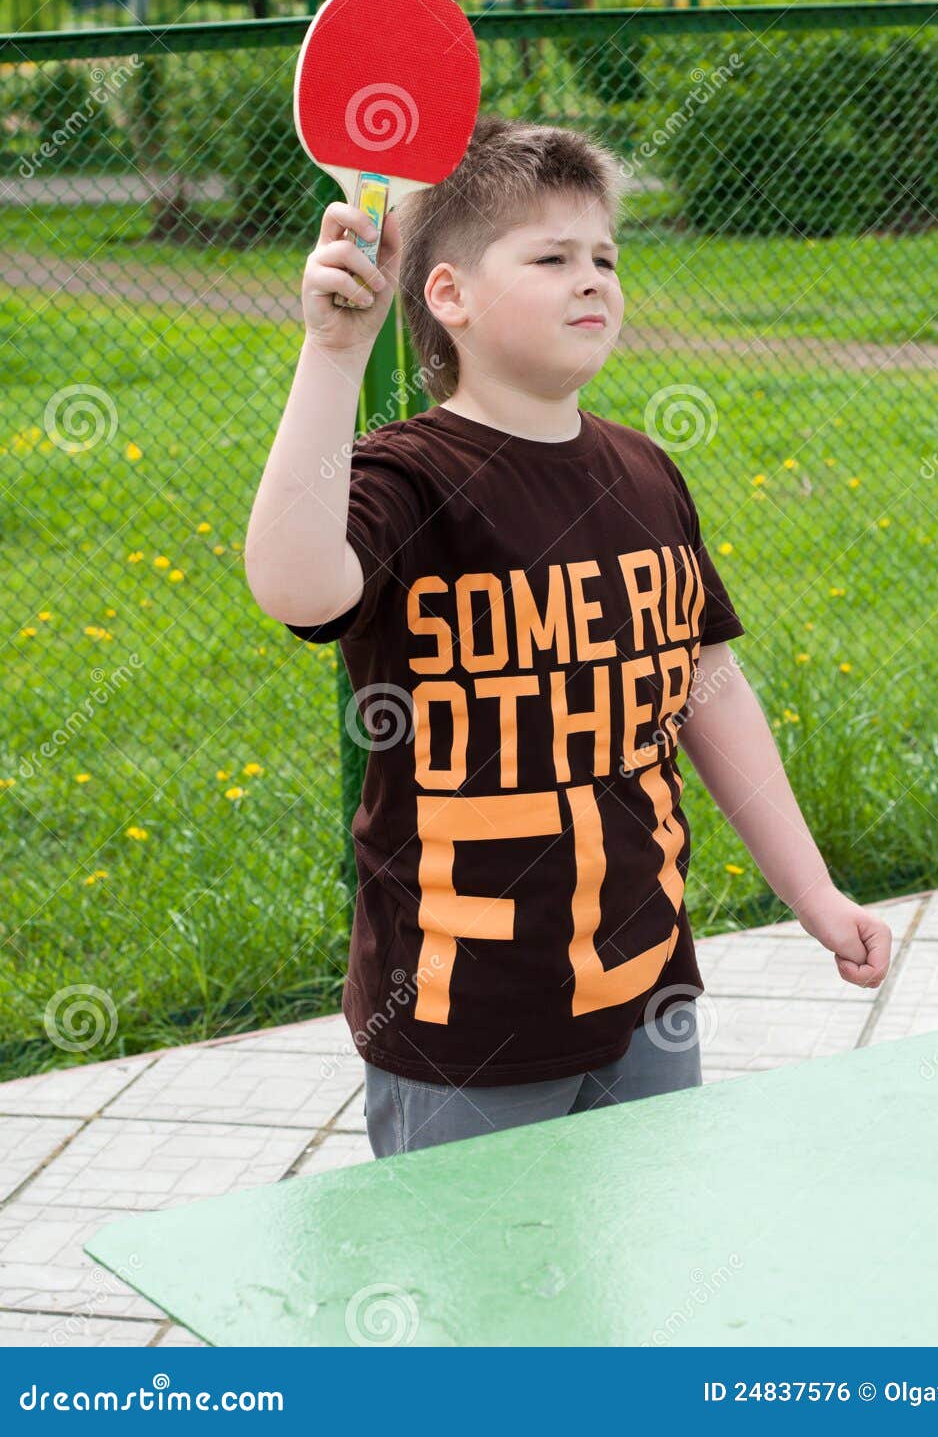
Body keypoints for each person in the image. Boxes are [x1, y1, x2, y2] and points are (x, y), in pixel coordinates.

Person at [245, 115, 891, 1158]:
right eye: (550, 256)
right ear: (446, 295)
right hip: (464, 1029)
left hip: (647, 1000)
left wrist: (812, 891)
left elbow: (708, 690)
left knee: (630, 1294)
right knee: (482, 1309)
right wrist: (333, 352)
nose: (592, 277)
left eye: (604, 256)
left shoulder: (645, 472)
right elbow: (293, 586)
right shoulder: (409, 477)